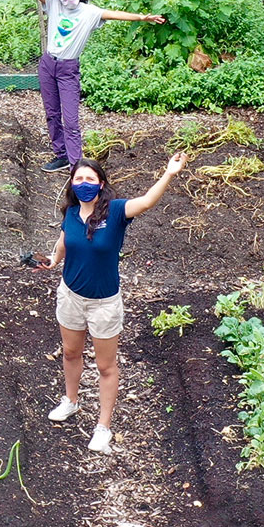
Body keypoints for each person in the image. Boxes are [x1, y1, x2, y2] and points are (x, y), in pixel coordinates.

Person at [40, 151, 191, 453]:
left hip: (103, 304)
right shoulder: (70, 211)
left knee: (106, 366)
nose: (83, 183)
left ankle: (103, 427)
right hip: (70, 296)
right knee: (71, 354)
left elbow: (147, 201)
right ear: (72, 184)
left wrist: (169, 173)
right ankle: (70, 401)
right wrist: (53, 260)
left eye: (89, 178)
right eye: (78, 178)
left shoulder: (116, 212)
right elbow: (63, 241)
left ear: (101, 183)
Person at [26, 0, 166, 171]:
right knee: (52, 113)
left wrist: (142, 17)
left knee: (70, 120)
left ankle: (76, 166)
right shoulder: (53, 5)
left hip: (68, 69)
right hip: (48, 64)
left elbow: (115, 14)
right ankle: (61, 155)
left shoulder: (90, 12)